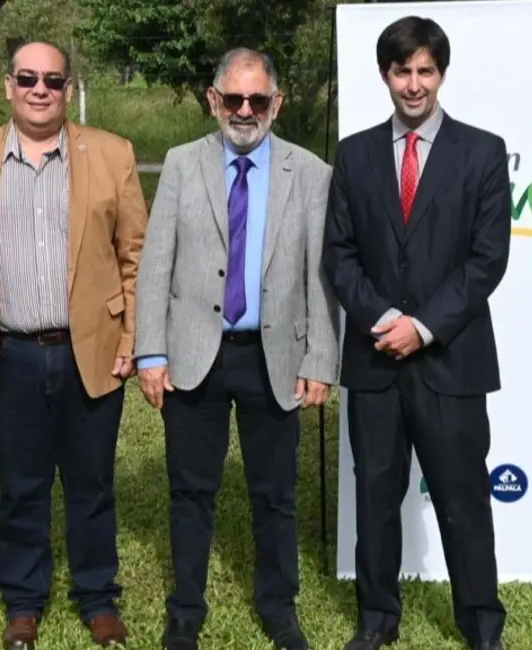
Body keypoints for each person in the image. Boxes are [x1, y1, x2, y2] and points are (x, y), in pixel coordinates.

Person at [0, 40, 148, 650]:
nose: (39, 90)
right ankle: (23, 603)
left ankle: (98, 599)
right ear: (8, 86)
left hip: (91, 349)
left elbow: (136, 257)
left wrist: (133, 338)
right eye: (27, 78)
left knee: (91, 483)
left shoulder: (111, 154)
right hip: (9, 354)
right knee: (19, 486)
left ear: (67, 89)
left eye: (52, 81)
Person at [134, 48, 340, 650]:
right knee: (190, 491)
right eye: (233, 98)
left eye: (257, 99)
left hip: (274, 356)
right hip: (194, 354)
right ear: (213, 100)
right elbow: (155, 264)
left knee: (275, 494)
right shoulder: (181, 164)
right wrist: (151, 353)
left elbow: (322, 276)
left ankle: (279, 609)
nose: (244, 110)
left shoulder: (311, 173)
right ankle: (185, 610)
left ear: (277, 103)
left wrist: (321, 359)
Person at [322, 16, 510, 650]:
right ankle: (377, 619)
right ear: (385, 74)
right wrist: (385, 321)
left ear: (441, 75)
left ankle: (481, 624)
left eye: (425, 70)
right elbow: (340, 254)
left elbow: (487, 259)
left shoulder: (481, 153)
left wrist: (423, 327)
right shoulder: (354, 155)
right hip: (375, 360)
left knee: (464, 500)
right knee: (375, 497)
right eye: (402, 70)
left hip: (451, 363)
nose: (413, 84)